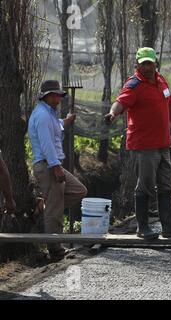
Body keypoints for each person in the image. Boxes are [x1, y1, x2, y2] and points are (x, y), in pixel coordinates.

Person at [105, 47, 171, 240]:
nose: (147, 67)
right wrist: (112, 113)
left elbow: (169, 105)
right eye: (143, 63)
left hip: (163, 144)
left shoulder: (161, 80)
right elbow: (120, 102)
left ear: (155, 63)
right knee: (144, 185)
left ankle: (169, 226)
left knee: (166, 185)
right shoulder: (134, 84)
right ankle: (142, 227)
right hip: (144, 146)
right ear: (137, 64)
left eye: (149, 63)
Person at [28, 80, 88, 261]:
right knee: (54, 210)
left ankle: (45, 206)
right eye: (56, 95)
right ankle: (55, 250)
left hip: (53, 164)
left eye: (60, 95)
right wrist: (55, 167)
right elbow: (46, 144)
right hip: (47, 165)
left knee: (79, 191)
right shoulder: (43, 115)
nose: (59, 98)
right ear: (47, 96)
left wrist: (66, 121)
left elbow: (55, 126)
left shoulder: (50, 114)